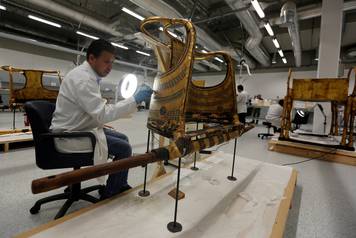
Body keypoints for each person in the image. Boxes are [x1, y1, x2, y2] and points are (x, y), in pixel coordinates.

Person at [51, 39, 152, 199]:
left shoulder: (88, 76)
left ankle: (119, 183)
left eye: (112, 62)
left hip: (79, 127)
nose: (110, 67)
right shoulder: (83, 79)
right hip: (70, 135)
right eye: (106, 62)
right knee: (124, 149)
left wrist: (99, 123)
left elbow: (92, 111)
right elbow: (102, 113)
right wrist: (134, 99)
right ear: (92, 58)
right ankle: (110, 193)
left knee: (123, 138)